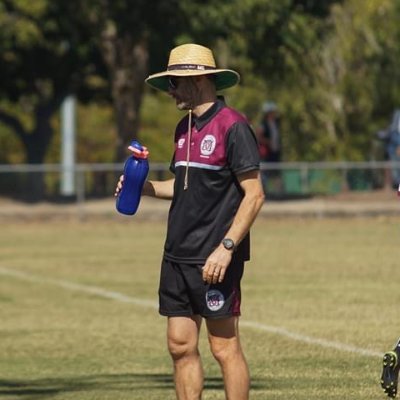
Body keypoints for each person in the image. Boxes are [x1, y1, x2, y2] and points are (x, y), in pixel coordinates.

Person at [115, 43, 265, 400]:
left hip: (214, 258)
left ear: (197, 80)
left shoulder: (234, 127)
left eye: (175, 83)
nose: (170, 91)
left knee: (223, 348)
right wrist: (144, 188)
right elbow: (184, 187)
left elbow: (255, 194)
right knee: (180, 346)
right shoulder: (184, 128)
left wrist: (226, 249)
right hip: (176, 255)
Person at [256, 101, 282, 192]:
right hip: (267, 154)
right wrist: (268, 142)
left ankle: (278, 193)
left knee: (276, 173)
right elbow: (258, 137)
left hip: (275, 152)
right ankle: (265, 191)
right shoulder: (263, 125)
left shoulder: (276, 123)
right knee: (265, 174)